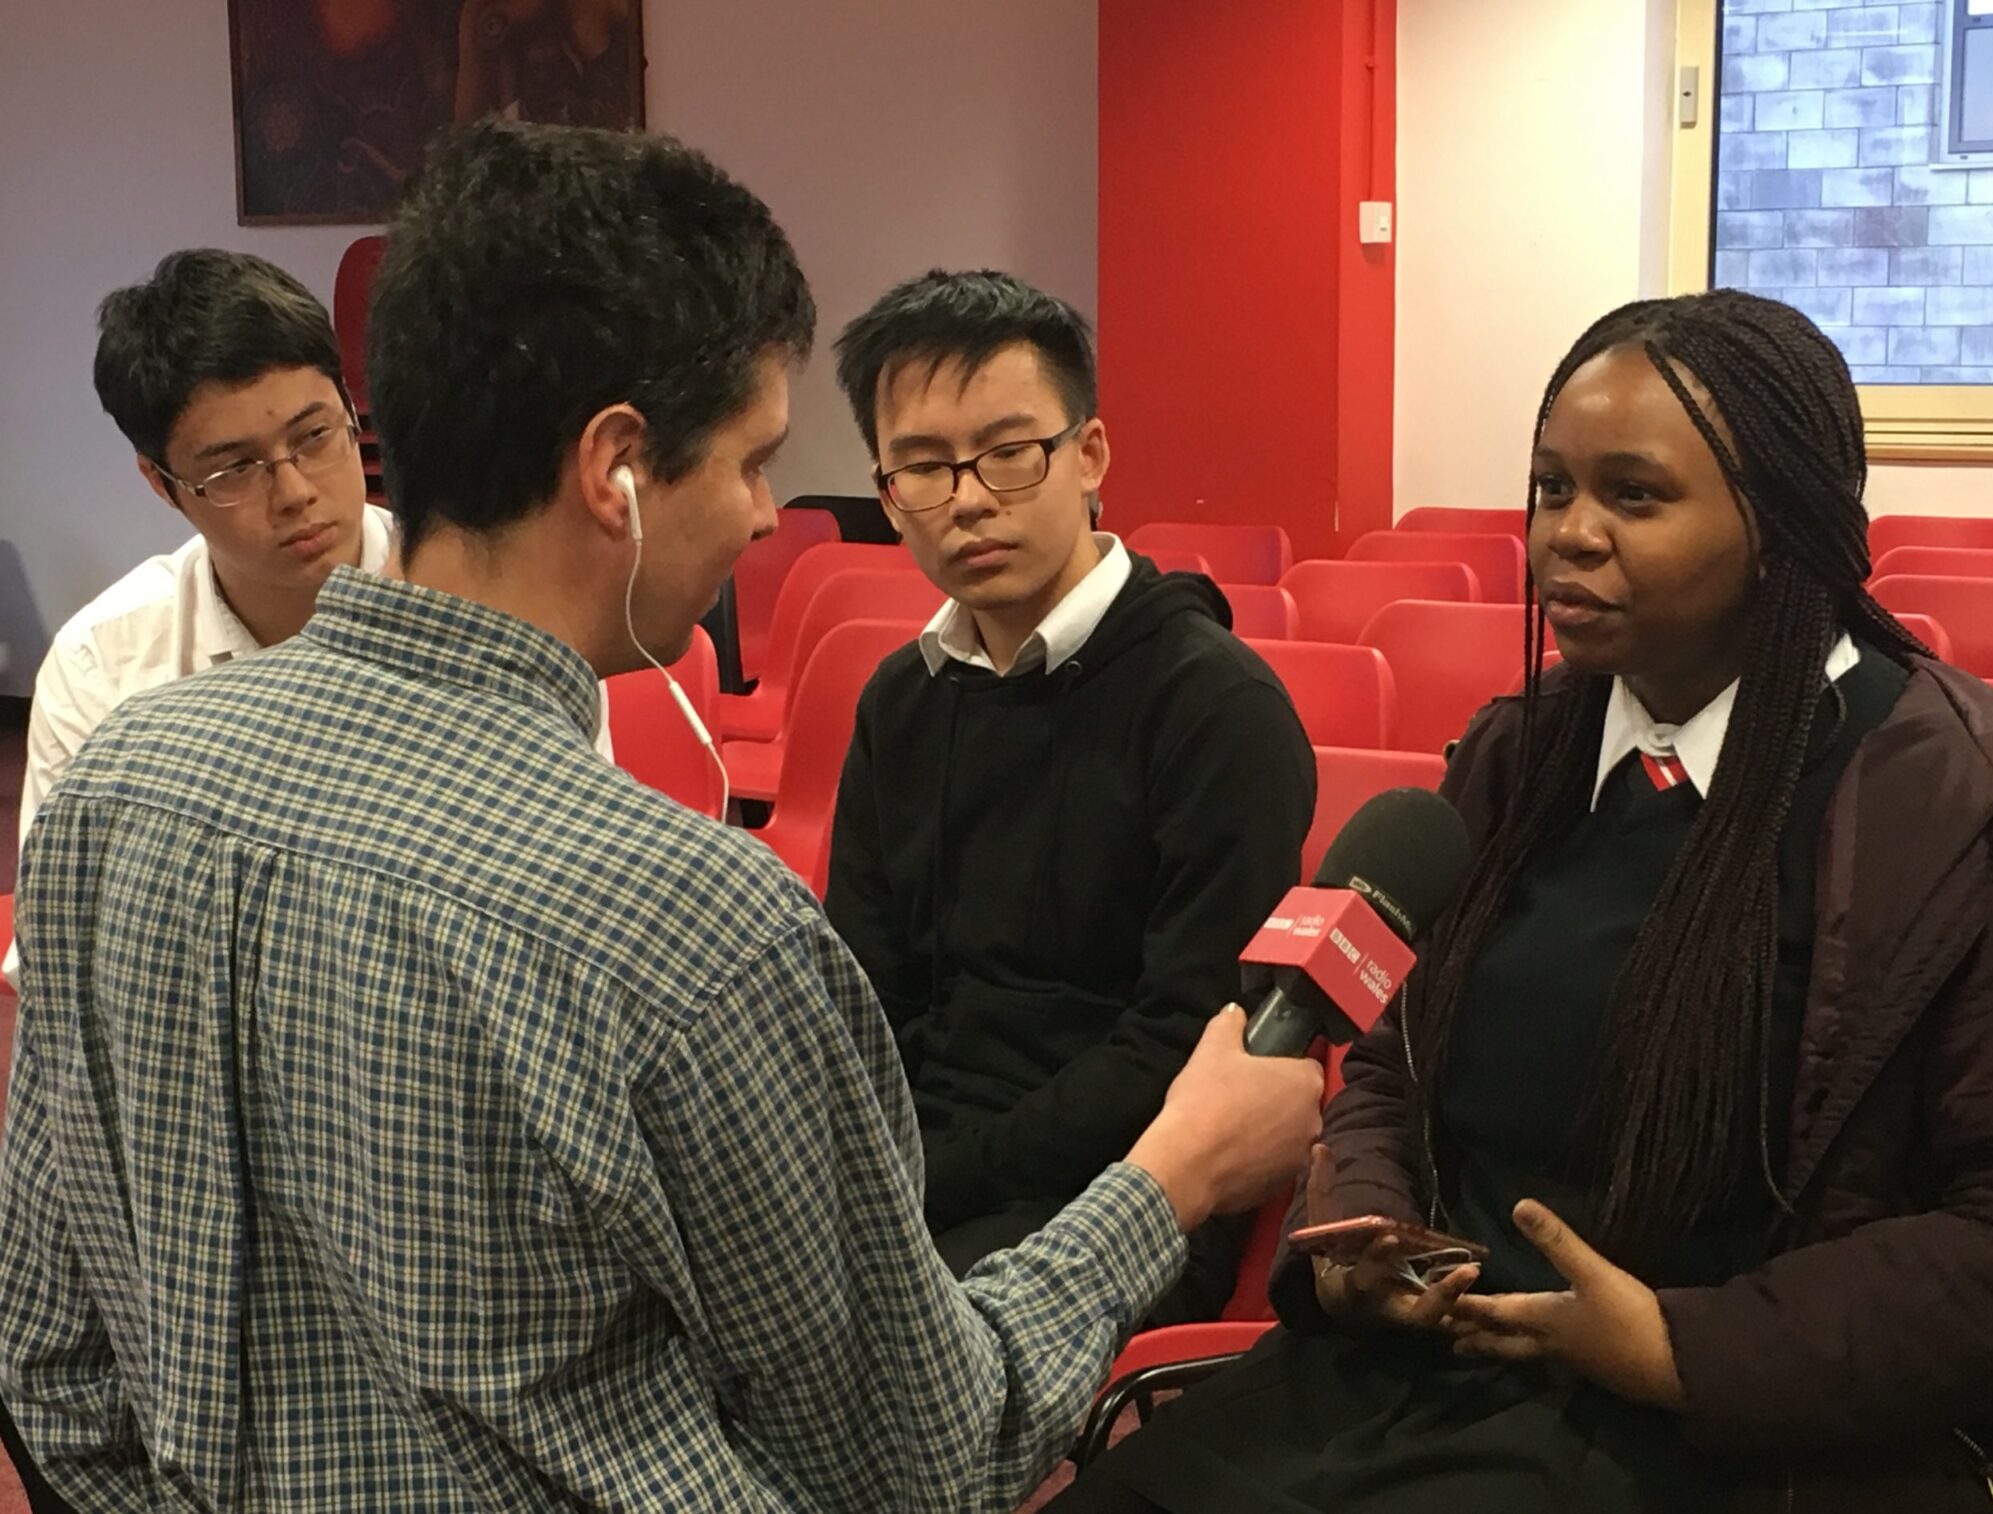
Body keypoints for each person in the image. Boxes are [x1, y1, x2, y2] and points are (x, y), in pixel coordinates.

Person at [0, 121, 1325, 1511]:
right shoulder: (686, 925)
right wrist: (1174, 1176)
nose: (766, 516)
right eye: (754, 459)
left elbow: (51, 1361)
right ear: (616, 467)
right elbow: (922, 1457)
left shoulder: (115, 785)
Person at [1052, 290, 1993, 1513]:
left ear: (1784, 526)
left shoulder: (1969, 814)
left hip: (1726, 1429)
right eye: (1550, 487)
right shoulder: (1511, 764)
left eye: (1631, 495)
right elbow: (1385, 1069)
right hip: (1410, 1376)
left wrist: (1685, 1346)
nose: (1565, 534)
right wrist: (1363, 1228)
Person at [825, 269, 1317, 1320]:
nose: (964, 498)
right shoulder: (900, 701)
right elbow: (865, 999)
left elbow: (1177, 1042)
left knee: (851, 1366)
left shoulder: (1214, 706)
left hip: (1128, 1191)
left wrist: (916, 1186)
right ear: (885, 494)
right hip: (919, 1178)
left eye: (1006, 454)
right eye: (921, 466)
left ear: (1086, 455)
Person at [2, 250, 391, 996]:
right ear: (161, 482)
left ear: (347, 405)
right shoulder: (104, 670)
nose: (295, 491)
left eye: (315, 436)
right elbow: (61, 957)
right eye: (234, 469)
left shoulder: (481, 606)